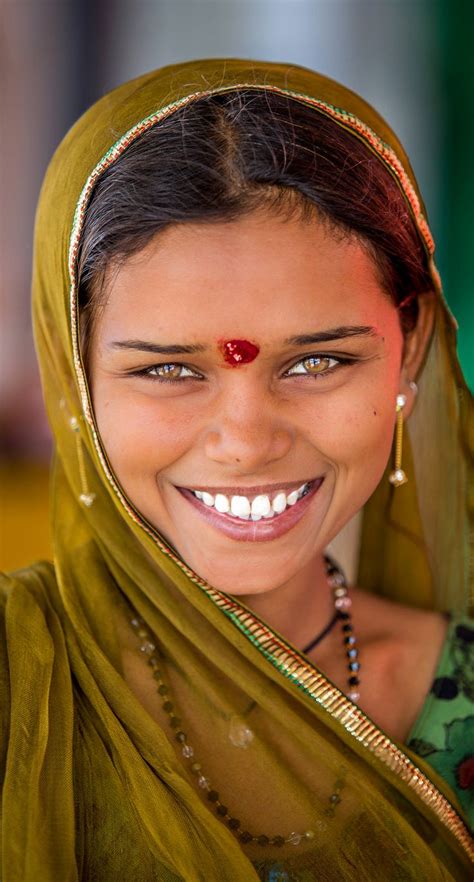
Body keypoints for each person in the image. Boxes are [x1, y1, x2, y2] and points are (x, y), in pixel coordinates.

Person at [0, 58, 472, 881]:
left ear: (411, 354)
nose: (247, 441)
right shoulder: (20, 683)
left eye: (319, 361)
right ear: (73, 379)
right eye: (169, 370)